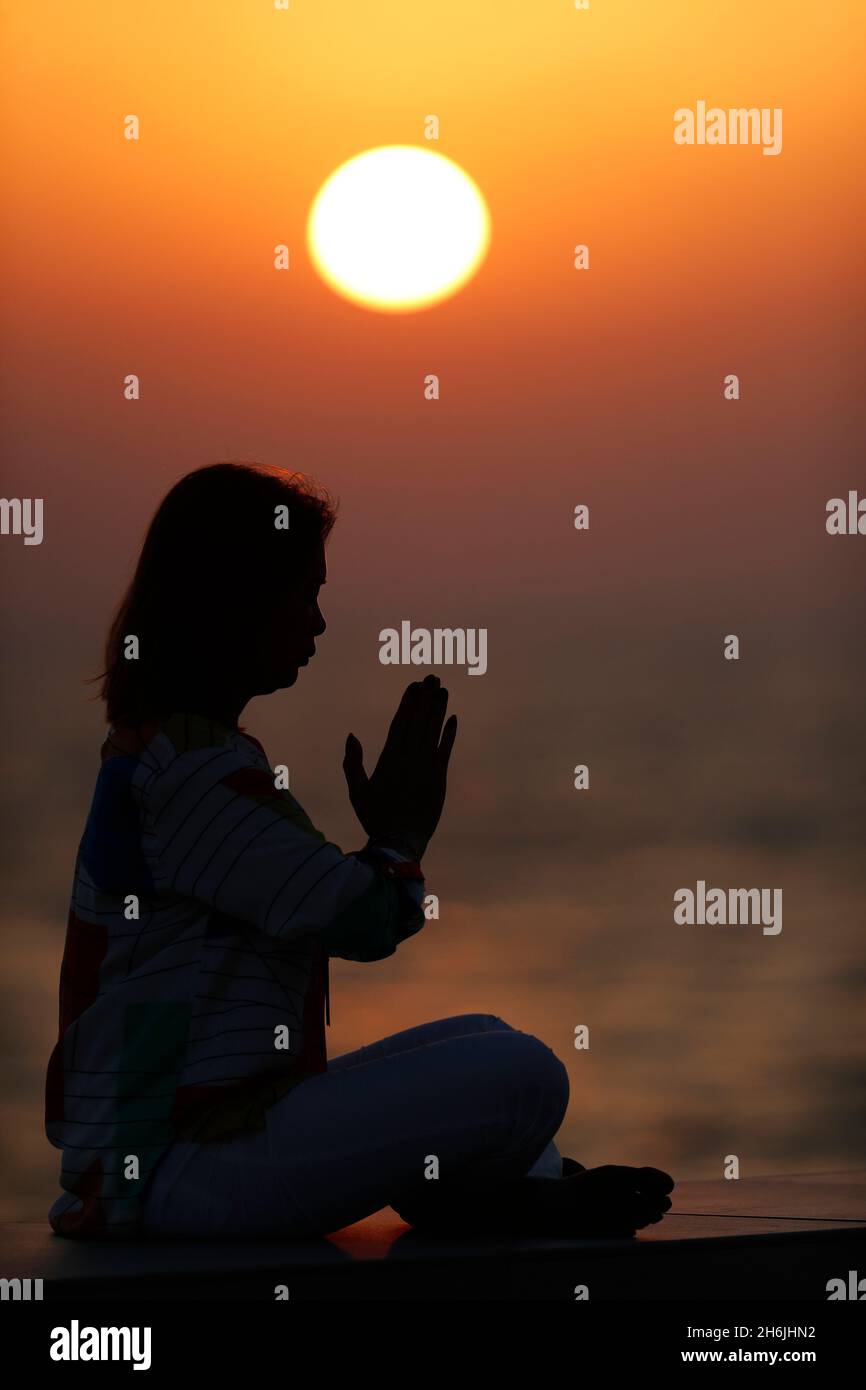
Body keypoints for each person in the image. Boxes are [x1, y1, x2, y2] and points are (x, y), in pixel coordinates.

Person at [45, 461, 673, 1242]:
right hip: (180, 1174)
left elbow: (316, 894)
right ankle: (507, 1191)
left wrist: (386, 845)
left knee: (482, 1035)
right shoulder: (192, 774)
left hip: (203, 1146)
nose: (319, 622)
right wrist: (400, 838)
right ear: (236, 598)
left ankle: (509, 1190)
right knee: (526, 1075)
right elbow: (364, 918)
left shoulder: (175, 753)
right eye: (305, 593)